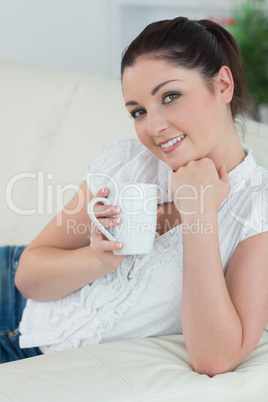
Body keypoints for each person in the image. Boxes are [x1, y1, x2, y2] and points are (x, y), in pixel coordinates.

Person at [1, 16, 268, 376]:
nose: (153, 127)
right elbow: (27, 275)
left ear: (222, 85)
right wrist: (98, 260)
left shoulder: (257, 207)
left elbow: (216, 357)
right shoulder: (128, 162)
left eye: (170, 96)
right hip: (12, 298)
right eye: (138, 111)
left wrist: (200, 214)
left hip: (29, 355)